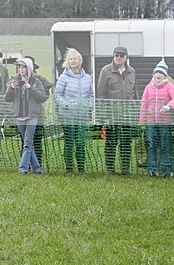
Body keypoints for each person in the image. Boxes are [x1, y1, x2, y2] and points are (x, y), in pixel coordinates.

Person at [96, 46, 138, 174]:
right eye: (116, 55)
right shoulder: (106, 71)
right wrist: (103, 115)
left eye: (121, 55)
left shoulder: (132, 71)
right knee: (111, 142)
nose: (118, 58)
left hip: (128, 113)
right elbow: (100, 94)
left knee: (126, 142)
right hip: (111, 113)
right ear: (113, 56)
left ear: (126, 57)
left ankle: (125, 169)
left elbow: (135, 93)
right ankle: (110, 169)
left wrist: (136, 111)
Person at [53, 48, 94, 172]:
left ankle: (81, 168)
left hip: (82, 116)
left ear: (80, 60)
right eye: (70, 59)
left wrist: (88, 106)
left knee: (81, 143)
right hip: (68, 116)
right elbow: (57, 95)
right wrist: (65, 105)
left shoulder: (87, 78)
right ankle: (69, 168)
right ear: (67, 61)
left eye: (75, 58)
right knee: (69, 142)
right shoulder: (63, 77)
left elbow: (91, 95)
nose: (73, 61)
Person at [5, 58, 48, 174]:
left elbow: (43, 97)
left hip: (32, 116)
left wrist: (30, 88)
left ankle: (22, 168)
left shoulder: (36, 81)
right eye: (19, 67)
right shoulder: (14, 80)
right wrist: (11, 88)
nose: (21, 69)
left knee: (28, 143)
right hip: (18, 116)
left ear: (29, 68)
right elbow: (7, 98)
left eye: (23, 67)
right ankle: (37, 169)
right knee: (27, 143)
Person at [139, 60, 174, 176]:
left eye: (161, 73)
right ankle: (152, 170)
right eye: (156, 72)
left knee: (165, 146)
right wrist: (142, 123)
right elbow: (144, 105)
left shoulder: (170, 86)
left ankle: (166, 171)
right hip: (151, 123)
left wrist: (169, 106)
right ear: (154, 74)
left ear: (165, 75)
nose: (158, 75)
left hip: (165, 123)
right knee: (151, 146)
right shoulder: (148, 87)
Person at [25, 55, 54, 167]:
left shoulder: (40, 79)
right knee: (25, 141)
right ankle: (26, 163)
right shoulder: (17, 79)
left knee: (36, 140)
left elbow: (45, 96)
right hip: (21, 114)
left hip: (37, 113)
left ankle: (38, 163)